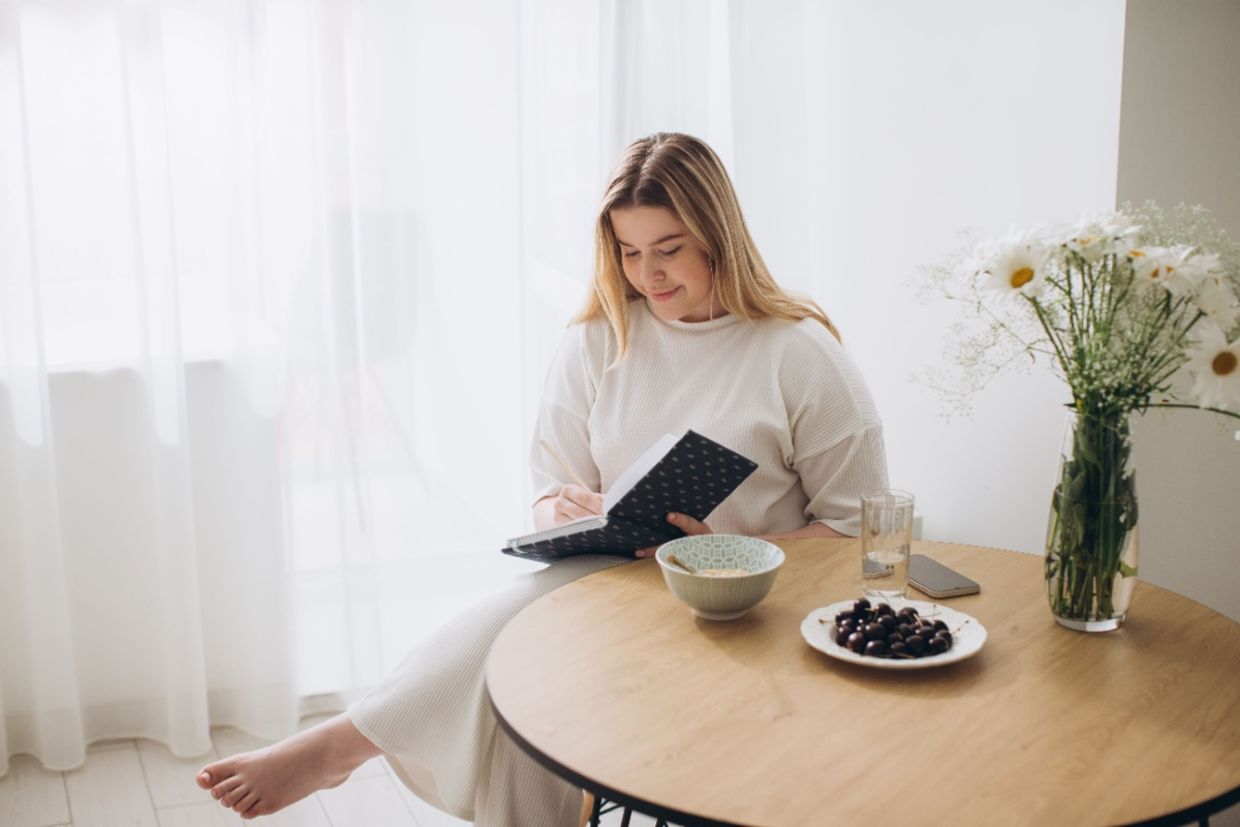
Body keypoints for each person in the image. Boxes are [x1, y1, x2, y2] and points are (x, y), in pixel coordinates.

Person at [195, 132, 888, 824]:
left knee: (520, 648)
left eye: (669, 249)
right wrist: (562, 509)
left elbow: (860, 531)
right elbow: (550, 488)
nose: (648, 274)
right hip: (615, 587)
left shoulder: (797, 353)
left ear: (718, 234)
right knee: (522, 676)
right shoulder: (600, 338)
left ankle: (343, 745)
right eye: (629, 252)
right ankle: (346, 745)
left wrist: (726, 556)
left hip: (743, 608)